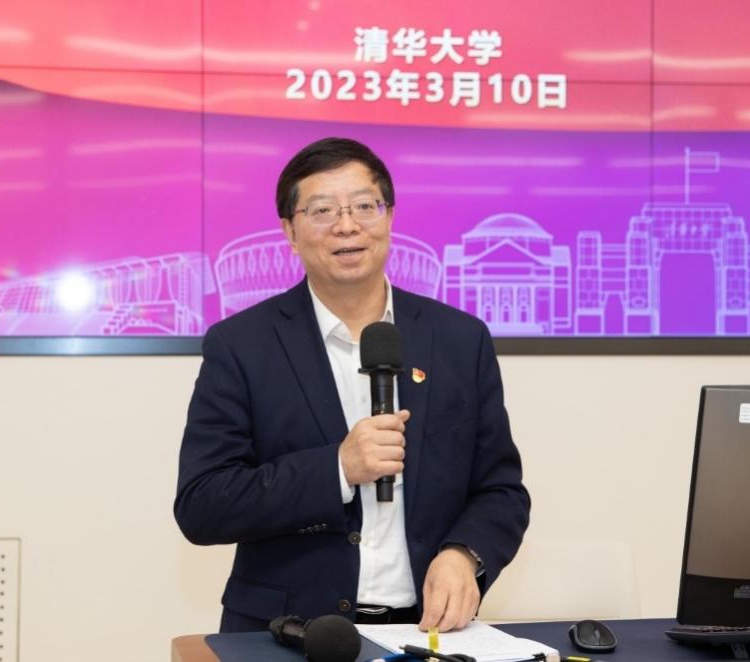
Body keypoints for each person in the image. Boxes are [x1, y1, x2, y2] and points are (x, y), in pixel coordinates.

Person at [175, 137, 530, 633]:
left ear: (389, 217)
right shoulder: (242, 344)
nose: (347, 225)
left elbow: (501, 490)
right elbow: (203, 504)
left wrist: (464, 554)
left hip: (426, 631)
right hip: (288, 632)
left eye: (365, 205)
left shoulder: (459, 340)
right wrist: (337, 469)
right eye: (322, 210)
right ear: (290, 231)